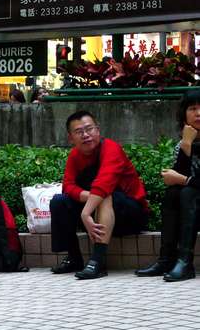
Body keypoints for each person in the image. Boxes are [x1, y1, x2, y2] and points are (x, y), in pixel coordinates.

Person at [50, 110, 149, 279]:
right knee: (59, 201)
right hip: (96, 213)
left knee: (104, 194)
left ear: (98, 130)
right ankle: (74, 258)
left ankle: (97, 261)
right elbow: (68, 186)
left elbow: (104, 184)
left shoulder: (111, 148)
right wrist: (89, 199)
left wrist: (86, 213)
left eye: (89, 129)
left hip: (129, 213)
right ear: (70, 138)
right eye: (79, 132)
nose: (85, 135)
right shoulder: (75, 155)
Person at [135, 89, 200, 281]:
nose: (198, 113)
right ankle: (166, 260)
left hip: (194, 202)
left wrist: (185, 180)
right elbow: (178, 178)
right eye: (192, 109)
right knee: (174, 193)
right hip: (193, 208)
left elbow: (182, 179)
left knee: (187, 192)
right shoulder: (183, 144)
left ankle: (185, 262)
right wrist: (187, 144)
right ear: (184, 115)